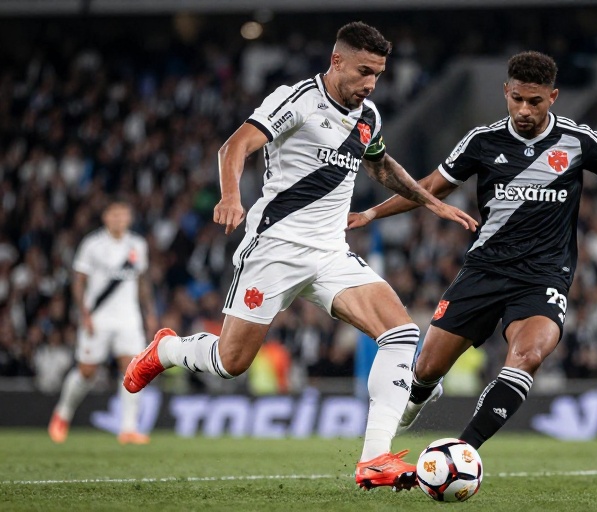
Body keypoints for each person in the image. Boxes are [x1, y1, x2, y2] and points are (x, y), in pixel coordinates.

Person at [123, 22, 476, 489]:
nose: (371, 83)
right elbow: (235, 146)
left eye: (378, 74)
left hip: (330, 253)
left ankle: (374, 458)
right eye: (364, 71)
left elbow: (380, 165)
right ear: (337, 61)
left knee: (401, 332)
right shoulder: (298, 99)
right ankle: (168, 349)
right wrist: (230, 195)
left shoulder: (368, 115)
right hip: (275, 249)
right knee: (231, 362)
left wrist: (431, 201)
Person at [348, 51, 597, 450]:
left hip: (543, 276)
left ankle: (463, 450)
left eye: (535, 101)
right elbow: (429, 187)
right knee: (425, 368)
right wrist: (372, 212)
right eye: (517, 99)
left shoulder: (579, 141)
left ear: (553, 97)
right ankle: (422, 392)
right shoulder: (483, 141)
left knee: (527, 357)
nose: (524, 110)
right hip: (484, 270)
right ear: (505, 92)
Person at [48, 200, 157, 444]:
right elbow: (79, 281)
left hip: (128, 317)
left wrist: (149, 313)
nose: (119, 218)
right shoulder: (92, 244)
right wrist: (84, 313)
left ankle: (128, 428)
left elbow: (142, 282)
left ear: (129, 217)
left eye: (123, 214)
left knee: (132, 369)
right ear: (105, 217)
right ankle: (62, 413)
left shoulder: (137, 244)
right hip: (98, 317)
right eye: (114, 214)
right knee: (87, 371)